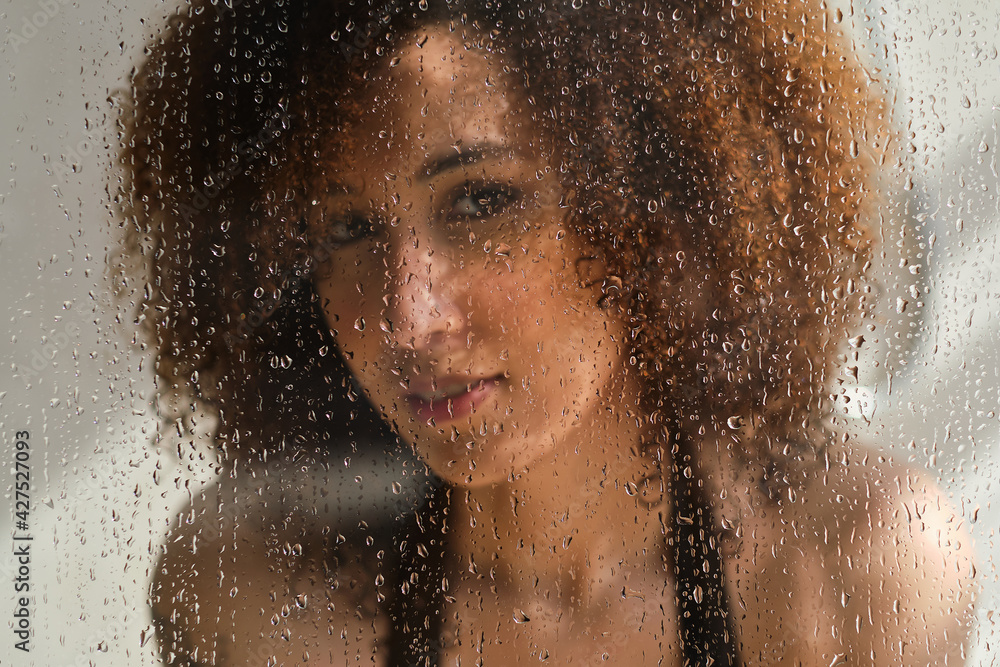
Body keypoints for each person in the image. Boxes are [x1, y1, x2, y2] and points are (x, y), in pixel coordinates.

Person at [118, 0, 975, 664]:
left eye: (482, 200)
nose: (406, 318)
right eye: (347, 229)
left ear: (655, 207)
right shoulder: (253, 600)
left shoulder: (857, 568)